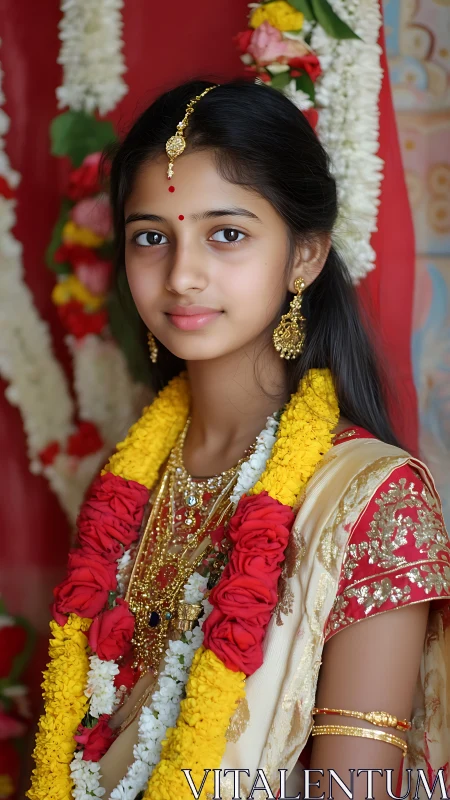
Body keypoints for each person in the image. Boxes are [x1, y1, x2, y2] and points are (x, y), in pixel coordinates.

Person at [28, 80, 450, 800]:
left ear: (305, 257)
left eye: (227, 234)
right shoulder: (126, 485)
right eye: (151, 237)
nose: (183, 275)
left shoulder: (373, 503)